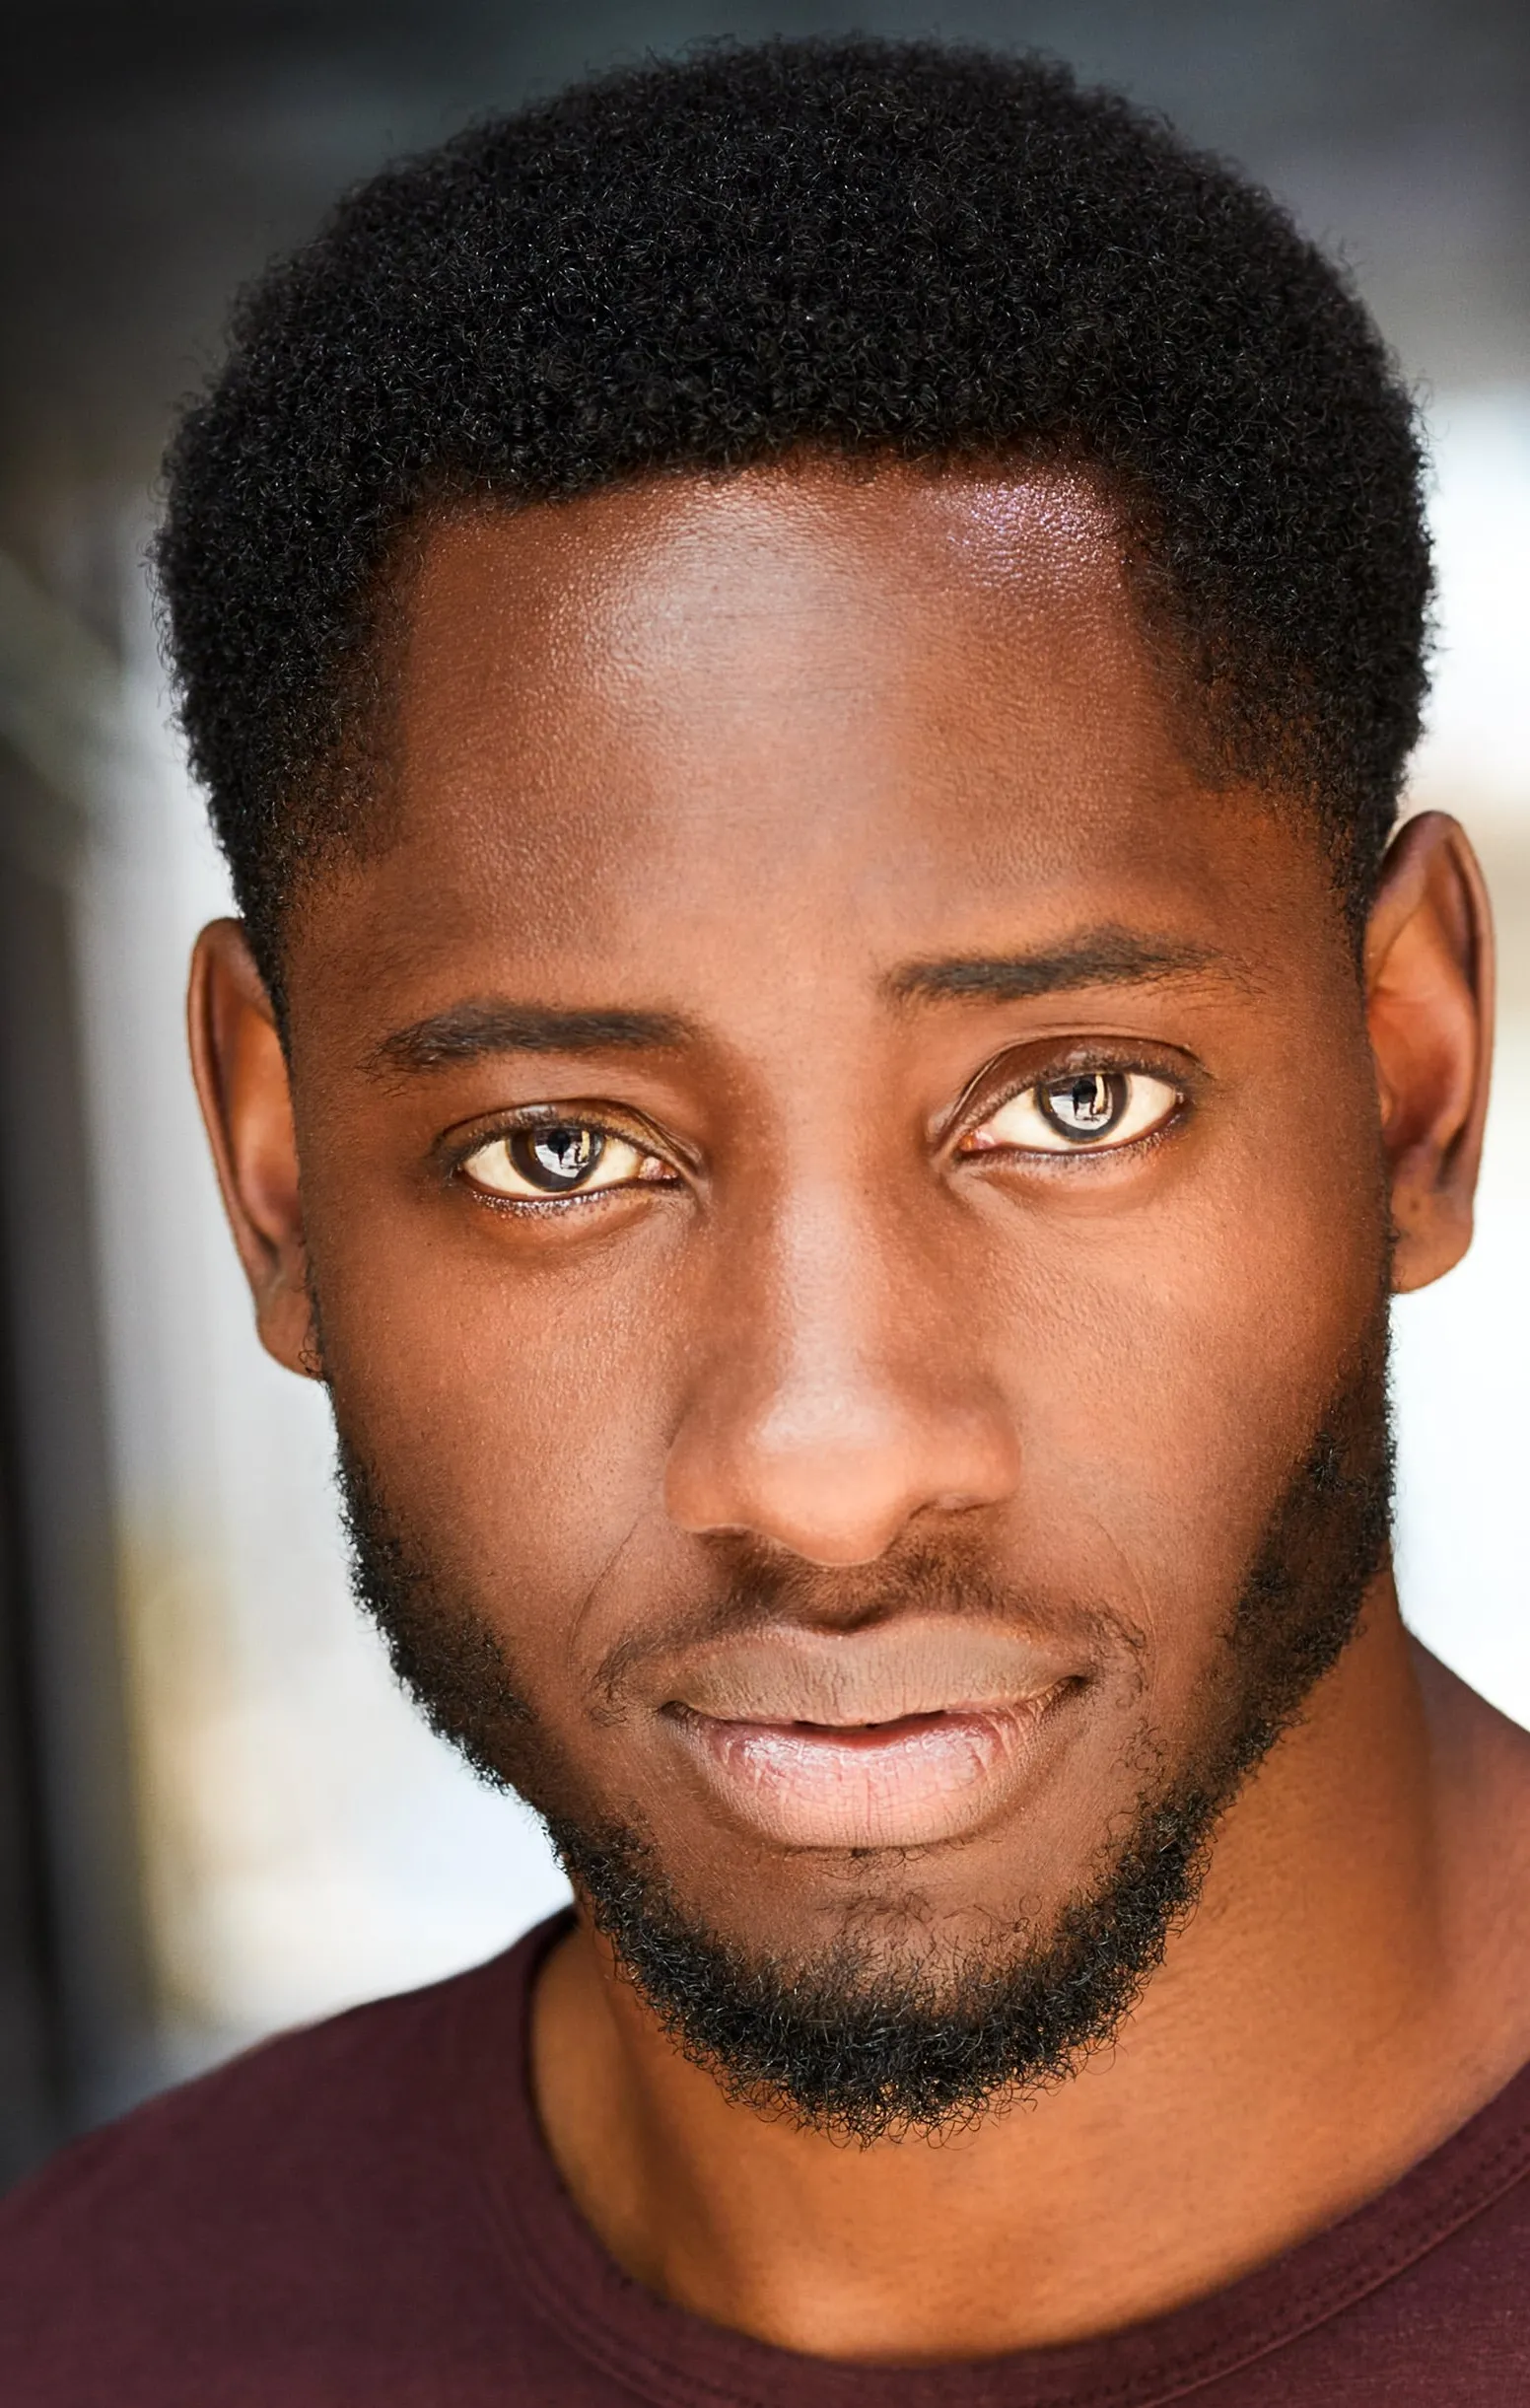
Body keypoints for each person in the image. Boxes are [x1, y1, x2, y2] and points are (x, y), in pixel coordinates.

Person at [2, 34, 1527, 2403]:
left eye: (1075, 1100)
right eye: (559, 1150)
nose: (824, 1473)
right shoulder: (99, 2341)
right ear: (272, 1172)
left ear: (1406, 1084)